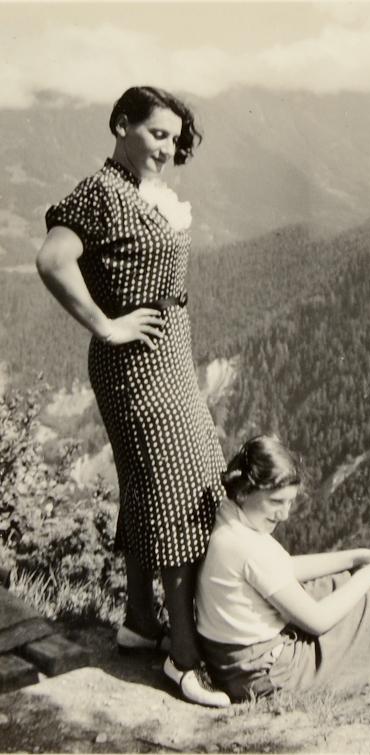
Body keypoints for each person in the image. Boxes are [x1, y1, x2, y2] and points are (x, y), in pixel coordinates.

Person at [36, 85, 229, 707]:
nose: (168, 149)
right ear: (121, 124)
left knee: (156, 484)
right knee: (178, 489)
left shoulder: (142, 195)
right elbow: (52, 260)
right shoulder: (99, 192)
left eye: (175, 138)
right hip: (133, 365)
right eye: (156, 134)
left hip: (169, 356)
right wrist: (106, 324)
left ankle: (141, 621)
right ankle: (183, 657)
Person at [196, 435, 370, 703]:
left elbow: (284, 567)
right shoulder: (249, 547)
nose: (284, 515)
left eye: (290, 502)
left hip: (232, 664)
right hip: (268, 675)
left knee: (341, 581)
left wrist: (357, 557)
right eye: (276, 502)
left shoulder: (230, 517)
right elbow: (317, 621)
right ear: (245, 491)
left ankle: (369, 690)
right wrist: (369, 575)